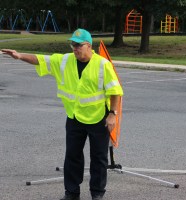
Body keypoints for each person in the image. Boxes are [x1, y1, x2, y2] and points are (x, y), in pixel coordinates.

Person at [1, 28, 123, 200]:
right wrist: (20, 56)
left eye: (78, 45)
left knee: (99, 158)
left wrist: (113, 114)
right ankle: (71, 193)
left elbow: (116, 91)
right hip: (74, 117)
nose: (74, 48)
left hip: (98, 118)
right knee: (72, 156)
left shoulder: (103, 64)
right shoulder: (66, 60)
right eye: (72, 44)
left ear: (88, 46)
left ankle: (97, 193)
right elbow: (42, 60)